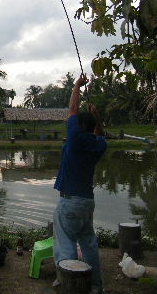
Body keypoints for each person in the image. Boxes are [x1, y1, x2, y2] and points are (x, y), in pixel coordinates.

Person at [53, 74, 107, 294]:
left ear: (80, 126)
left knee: (65, 245)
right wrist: (97, 117)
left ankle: (69, 285)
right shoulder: (99, 144)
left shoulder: (75, 140)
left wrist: (77, 85)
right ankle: (95, 286)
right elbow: (99, 133)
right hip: (87, 201)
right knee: (88, 244)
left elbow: (73, 110)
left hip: (70, 202)